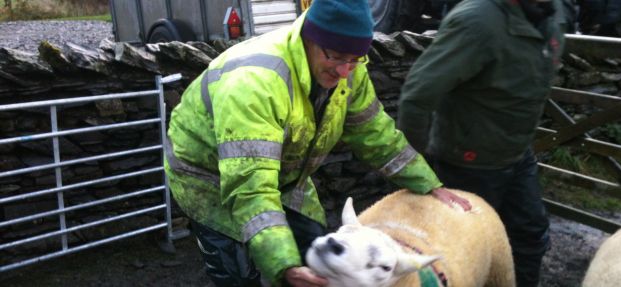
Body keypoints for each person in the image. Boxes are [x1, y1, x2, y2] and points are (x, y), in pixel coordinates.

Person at [163, 0, 471, 286]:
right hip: (210, 179)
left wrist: (428, 184)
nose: (343, 71)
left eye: (354, 59)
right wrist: (284, 266)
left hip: (285, 173)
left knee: (316, 250)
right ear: (309, 38)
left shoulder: (347, 66)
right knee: (240, 273)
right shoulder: (254, 83)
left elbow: (373, 131)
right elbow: (251, 186)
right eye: (335, 57)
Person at [397, 0, 567, 286]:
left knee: (529, 235)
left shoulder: (551, 14)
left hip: (517, 153)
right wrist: (418, 173)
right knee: (461, 252)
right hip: (466, 162)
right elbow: (418, 96)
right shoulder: (477, 21)